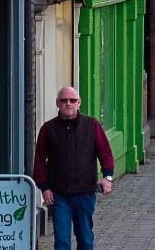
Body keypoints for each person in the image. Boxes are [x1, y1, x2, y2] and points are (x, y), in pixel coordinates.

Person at [34, 87, 114, 250]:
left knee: (85, 240)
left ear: (79, 103)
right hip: (59, 196)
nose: (68, 104)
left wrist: (107, 177)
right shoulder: (48, 129)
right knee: (62, 242)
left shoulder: (92, 125)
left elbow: (105, 152)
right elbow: (40, 161)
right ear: (58, 103)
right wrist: (44, 188)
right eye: (64, 100)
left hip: (85, 194)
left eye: (72, 100)